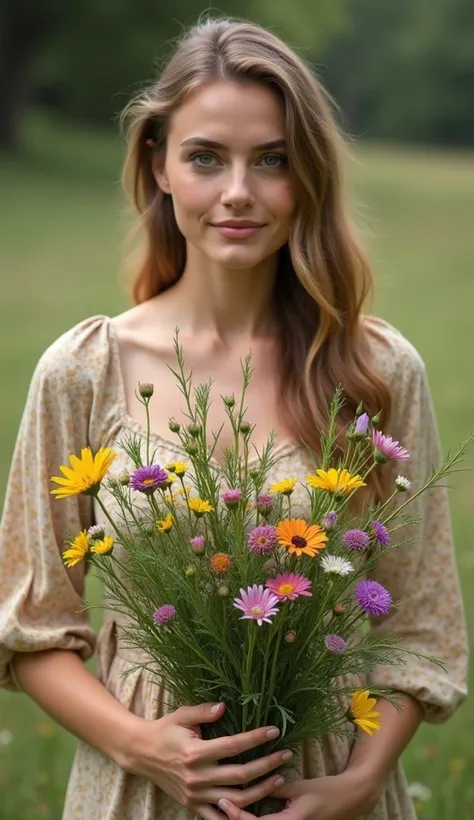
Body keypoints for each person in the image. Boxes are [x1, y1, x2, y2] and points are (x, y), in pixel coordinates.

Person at [0, 16, 467, 820]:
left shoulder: (377, 372)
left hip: (324, 778)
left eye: (273, 160)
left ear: (309, 177)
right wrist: (142, 745)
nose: (239, 191)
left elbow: (422, 627)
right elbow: (30, 624)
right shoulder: (84, 369)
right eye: (206, 157)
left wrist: (354, 787)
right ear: (160, 166)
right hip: (141, 787)